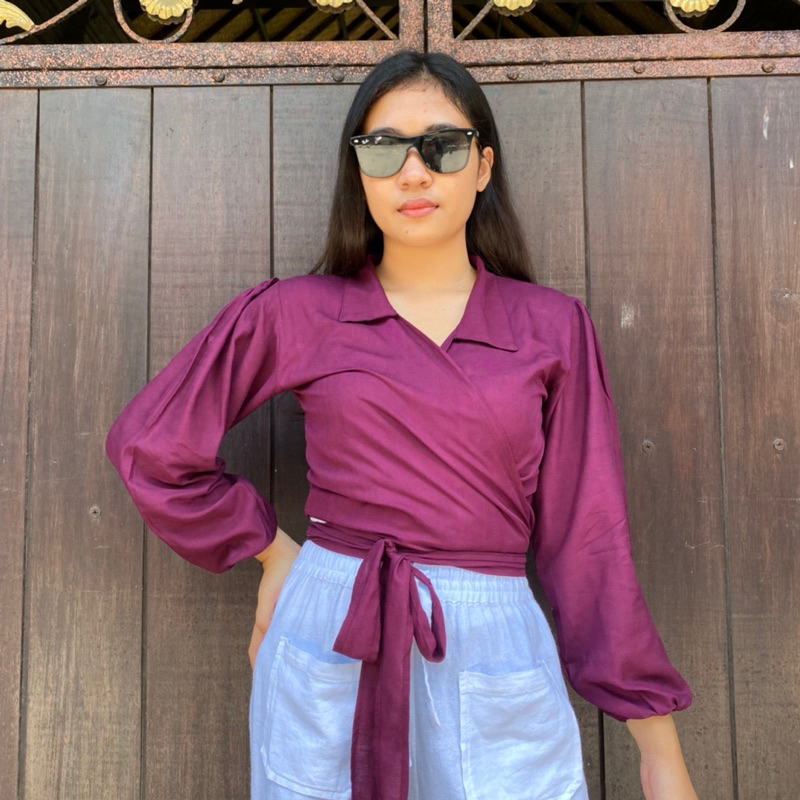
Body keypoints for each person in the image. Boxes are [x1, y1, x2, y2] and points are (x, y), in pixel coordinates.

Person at [105, 49, 698, 800]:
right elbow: (150, 445)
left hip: (492, 640)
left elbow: (589, 541)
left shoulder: (551, 328)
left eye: (442, 147)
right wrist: (272, 552)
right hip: (333, 622)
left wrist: (659, 750)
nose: (412, 173)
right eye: (383, 149)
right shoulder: (299, 313)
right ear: (359, 172)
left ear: (482, 167)